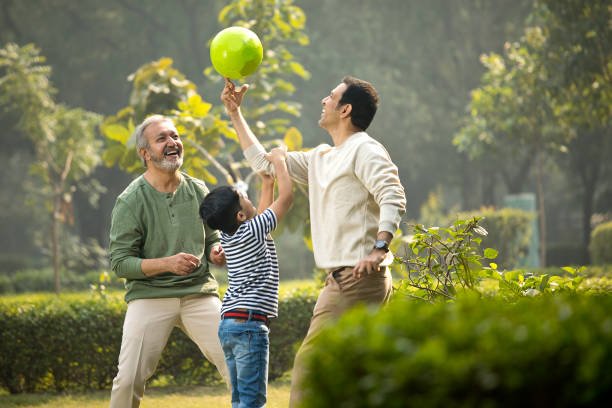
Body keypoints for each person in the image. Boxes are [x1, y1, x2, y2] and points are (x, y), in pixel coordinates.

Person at [221, 76, 407, 406]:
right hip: (341, 278)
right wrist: (235, 113)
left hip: (357, 278)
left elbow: (392, 194)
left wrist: (380, 248)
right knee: (352, 375)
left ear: (345, 109)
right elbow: (265, 163)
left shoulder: (365, 149)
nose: (323, 100)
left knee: (310, 366)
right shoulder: (321, 157)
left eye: (330, 96)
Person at [108, 114, 230, 408]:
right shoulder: (131, 200)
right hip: (150, 296)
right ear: (145, 153)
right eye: (162, 138)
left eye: (175, 136)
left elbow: (213, 236)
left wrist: (216, 251)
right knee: (128, 380)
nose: (172, 143)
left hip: (198, 293)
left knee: (237, 360)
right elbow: (120, 263)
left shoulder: (198, 189)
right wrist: (166, 264)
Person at [199, 146, 293, 408]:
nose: (249, 199)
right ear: (241, 215)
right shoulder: (252, 231)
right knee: (253, 402)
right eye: (244, 197)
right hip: (250, 326)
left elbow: (260, 215)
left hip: (230, 325)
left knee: (240, 400)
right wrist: (280, 161)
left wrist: (266, 182)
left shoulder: (230, 237)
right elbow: (286, 199)